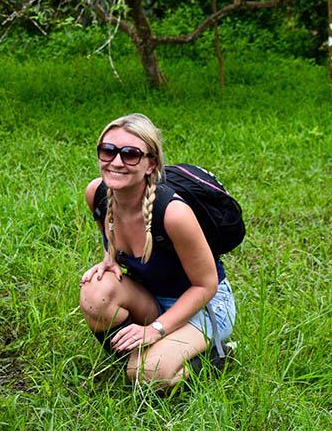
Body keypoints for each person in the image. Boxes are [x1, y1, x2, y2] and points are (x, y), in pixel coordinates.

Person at [78, 113, 236, 388]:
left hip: (203, 306)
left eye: (130, 154)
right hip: (152, 297)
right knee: (95, 291)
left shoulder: (174, 214)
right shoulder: (97, 193)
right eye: (108, 150)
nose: (116, 162)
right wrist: (109, 259)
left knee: (147, 375)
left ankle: (217, 356)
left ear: (150, 164)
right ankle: (134, 354)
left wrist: (156, 329)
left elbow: (206, 285)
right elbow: (109, 230)